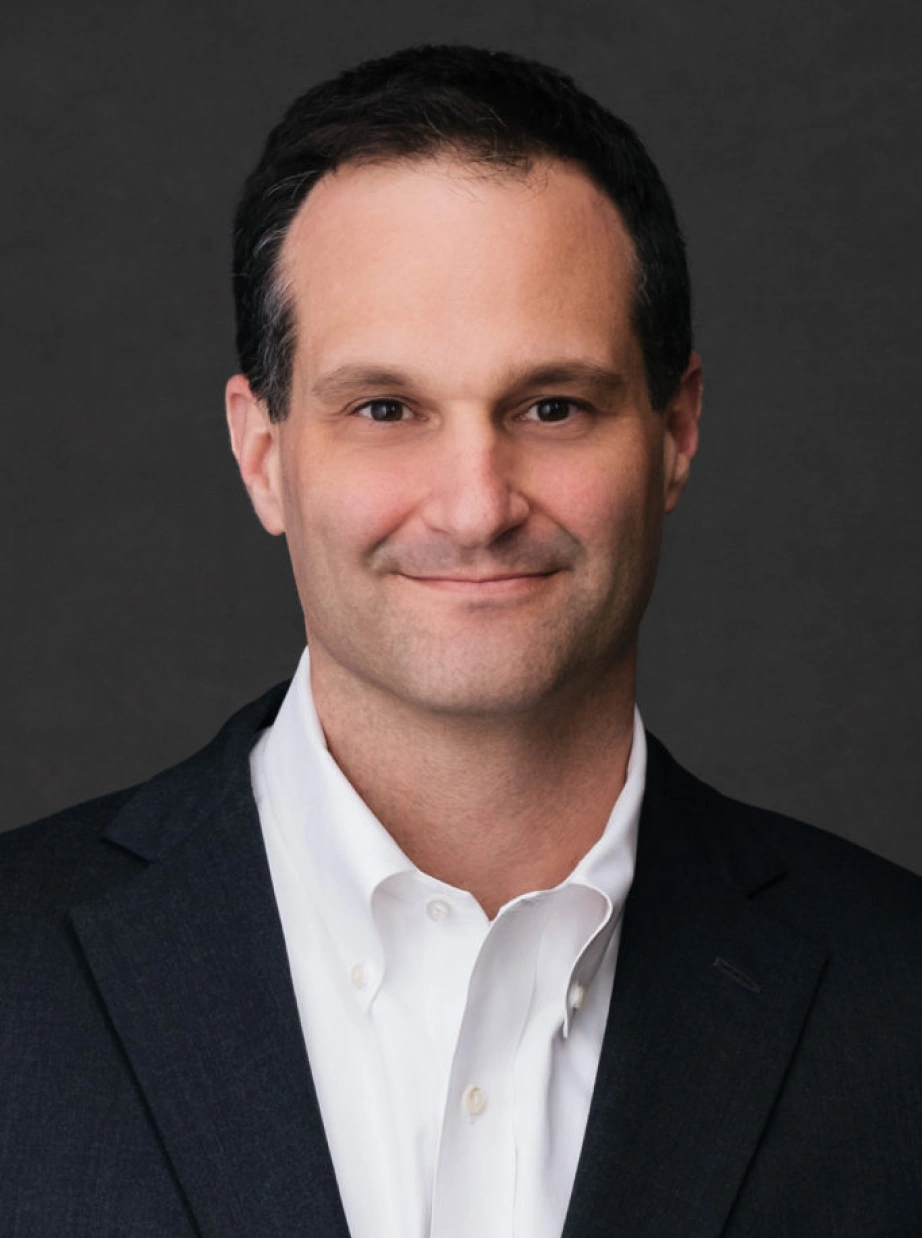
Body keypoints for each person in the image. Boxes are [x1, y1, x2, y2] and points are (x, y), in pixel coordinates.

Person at [2, 44, 920, 1238]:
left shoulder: (897, 1004)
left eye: (552, 406)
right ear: (261, 449)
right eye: (385, 409)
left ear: (675, 429)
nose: (475, 504)